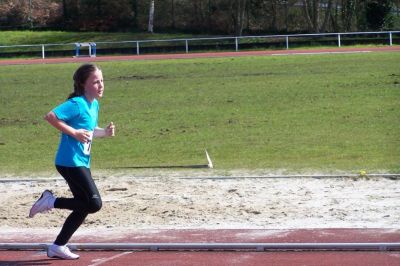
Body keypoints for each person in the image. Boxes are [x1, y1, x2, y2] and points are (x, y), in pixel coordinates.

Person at [29, 63, 115, 260]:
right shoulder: (77, 103)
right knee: (94, 204)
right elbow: (51, 116)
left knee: (83, 205)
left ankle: (58, 246)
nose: (101, 85)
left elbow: (89, 130)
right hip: (70, 161)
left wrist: (105, 133)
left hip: (80, 161)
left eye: (102, 80)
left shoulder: (93, 104)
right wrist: (74, 133)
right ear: (83, 85)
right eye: (95, 81)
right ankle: (50, 201)